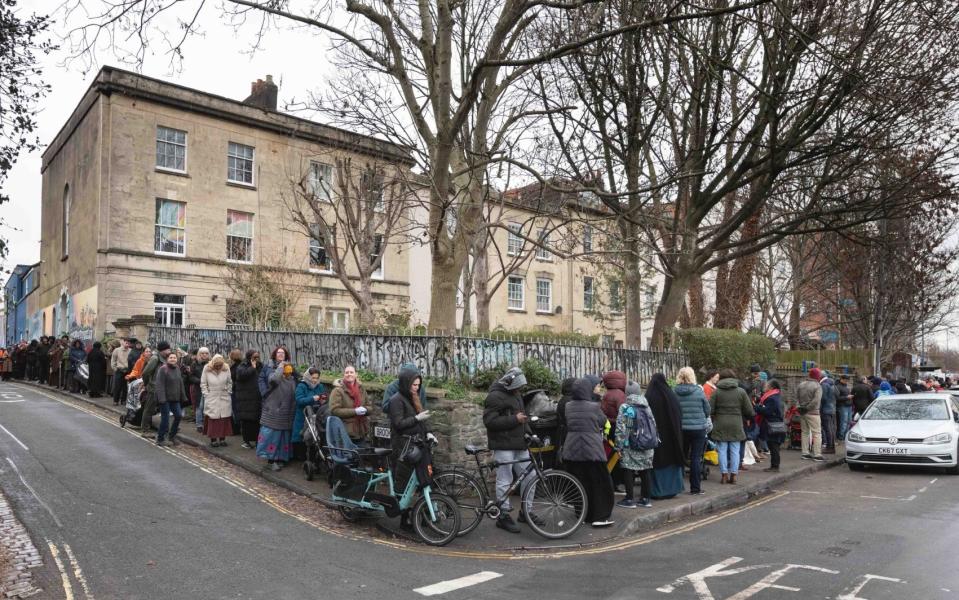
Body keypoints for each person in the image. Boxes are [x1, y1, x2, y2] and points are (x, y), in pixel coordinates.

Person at [483, 367, 535, 534]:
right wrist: (515, 419)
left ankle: (526, 512)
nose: (520, 390)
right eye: (517, 387)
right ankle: (503, 515)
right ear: (509, 383)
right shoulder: (494, 397)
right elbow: (490, 422)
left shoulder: (516, 394)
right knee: (505, 479)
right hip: (503, 444)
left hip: (520, 444)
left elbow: (523, 416)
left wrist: (529, 434)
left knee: (531, 476)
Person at [563, 377, 615, 527]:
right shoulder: (594, 407)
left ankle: (583, 514)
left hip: (572, 451)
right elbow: (602, 421)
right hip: (592, 450)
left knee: (580, 484)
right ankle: (600, 516)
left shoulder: (568, 406)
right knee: (600, 484)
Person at [387, 368, 435, 530]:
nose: (416, 388)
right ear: (406, 383)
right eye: (414, 384)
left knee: (422, 479)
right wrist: (415, 418)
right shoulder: (396, 400)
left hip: (416, 445)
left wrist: (428, 433)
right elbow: (399, 424)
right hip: (403, 447)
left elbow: (421, 422)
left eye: (418, 385)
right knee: (405, 482)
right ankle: (404, 519)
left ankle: (423, 515)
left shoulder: (413, 397)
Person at [710, 369, 755, 484]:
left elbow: (710, 410)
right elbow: (749, 411)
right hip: (736, 423)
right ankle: (734, 475)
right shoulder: (741, 391)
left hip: (720, 423)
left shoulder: (716, 392)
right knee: (735, 450)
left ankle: (724, 475)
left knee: (722, 450)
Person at [615, 381, 655, 509]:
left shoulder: (625, 407)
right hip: (647, 443)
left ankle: (629, 499)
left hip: (630, 445)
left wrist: (619, 446)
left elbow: (621, 429)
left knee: (628, 469)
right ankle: (645, 499)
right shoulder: (647, 406)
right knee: (646, 470)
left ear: (627, 393)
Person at [644, 373, 685, 497]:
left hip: (655, 436)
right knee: (671, 460)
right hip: (672, 437)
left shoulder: (649, 396)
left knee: (657, 461)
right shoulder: (671, 395)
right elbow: (679, 415)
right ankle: (673, 489)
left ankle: (657, 491)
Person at [674, 367, 710, 495]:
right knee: (695, 458)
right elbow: (708, 410)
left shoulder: (674, 392)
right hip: (698, 429)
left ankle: (676, 486)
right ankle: (695, 489)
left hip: (681, 429)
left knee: (680, 456)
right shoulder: (699, 392)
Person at [257, 362, 297, 471]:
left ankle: (279, 458)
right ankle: (270, 461)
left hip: (286, 414)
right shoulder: (274, 376)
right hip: (274, 413)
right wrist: (280, 367)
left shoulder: (292, 380)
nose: (288, 371)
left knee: (282, 438)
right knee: (272, 437)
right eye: (286, 369)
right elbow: (273, 380)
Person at [329, 365, 371, 444]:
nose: (349, 374)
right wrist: (355, 411)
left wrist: (366, 410)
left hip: (362, 430)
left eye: (351, 372)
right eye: (347, 372)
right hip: (345, 431)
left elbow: (369, 407)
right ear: (344, 375)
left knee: (361, 455)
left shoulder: (361, 389)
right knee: (349, 455)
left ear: (356, 374)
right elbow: (334, 410)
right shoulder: (337, 391)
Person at [153, 350, 186, 447]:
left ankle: (171, 436)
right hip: (165, 399)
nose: (173, 359)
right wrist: (162, 399)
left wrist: (183, 396)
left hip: (174, 398)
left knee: (179, 416)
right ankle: (160, 438)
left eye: (174, 358)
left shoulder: (177, 369)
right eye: (171, 358)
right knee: (165, 419)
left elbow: (180, 383)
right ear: (167, 359)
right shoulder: (163, 369)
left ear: (177, 359)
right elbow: (159, 385)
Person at [293, 368, 327, 460]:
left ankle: (313, 456)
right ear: (308, 377)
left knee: (315, 435)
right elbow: (299, 400)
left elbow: (323, 396)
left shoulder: (320, 386)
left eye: (317, 378)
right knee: (303, 435)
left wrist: (323, 400)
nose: (315, 380)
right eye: (313, 378)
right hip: (303, 415)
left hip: (316, 414)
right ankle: (301, 456)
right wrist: (312, 398)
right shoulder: (301, 386)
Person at [201, 354, 234, 447]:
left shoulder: (226, 368)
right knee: (213, 418)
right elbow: (203, 383)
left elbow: (229, 381)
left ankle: (222, 439)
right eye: (217, 366)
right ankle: (213, 439)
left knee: (224, 418)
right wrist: (206, 394)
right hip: (212, 395)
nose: (219, 367)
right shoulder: (206, 368)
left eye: (220, 366)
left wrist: (228, 391)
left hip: (224, 396)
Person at [139, 342, 171, 437]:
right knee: (149, 409)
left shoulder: (165, 358)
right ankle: (145, 430)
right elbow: (145, 373)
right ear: (163, 350)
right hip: (153, 388)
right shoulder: (155, 358)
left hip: (163, 389)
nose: (169, 351)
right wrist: (147, 384)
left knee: (164, 410)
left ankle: (165, 429)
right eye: (168, 349)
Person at [754, 379, 786, 471]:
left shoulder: (772, 397)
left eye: (767, 385)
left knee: (773, 445)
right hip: (774, 423)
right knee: (773, 445)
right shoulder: (775, 396)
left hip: (772, 424)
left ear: (771, 387)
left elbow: (768, 411)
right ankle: (774, 465)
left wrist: (757, 408)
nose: (765, 386)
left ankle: (775, 466)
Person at [235, 351, 263, 449]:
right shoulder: (243, 365)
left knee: (257, 420)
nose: (256, 359)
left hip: (257, 397)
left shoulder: (261, 366)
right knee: (247, 421)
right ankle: (247, 441)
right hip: (246, 398)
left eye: (257, 357)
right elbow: (241, 376)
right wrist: (252, 367)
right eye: (254, 357)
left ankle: (257, 441)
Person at [796, 370, 824, 462]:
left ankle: (805, 453)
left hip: (802, 412)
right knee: (817, 433)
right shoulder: (817, 386)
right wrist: (807, 408)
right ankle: (817, 454)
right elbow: (816, 401)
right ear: (817, 376)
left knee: (805, 432)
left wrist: (800, 408)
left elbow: (797, 398)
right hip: (813, 413)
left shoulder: (801, 384)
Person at [811, 368, 837, 454]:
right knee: (831, 428)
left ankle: (829, 447)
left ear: (820, 376)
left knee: (827, 428)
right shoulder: (832, 383)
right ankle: (831, 446)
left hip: (826, 409)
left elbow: (823, 398)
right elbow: (837, 394)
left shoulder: (824, 385)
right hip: (832, 408)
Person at [191, 347, 211, 432]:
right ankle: (199, 424)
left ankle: (207, 424)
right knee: (199, 406)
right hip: (198, 388)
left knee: (208, 407)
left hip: (209, 388)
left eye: (206, 353)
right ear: (199, 354)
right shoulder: (194, 364)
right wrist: (200, 381)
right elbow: (191, 377)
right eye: (202, 353)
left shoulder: (211, 363)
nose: (204, 355)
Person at [110, 338, 132, 406]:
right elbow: (113, 360)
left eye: (129, 343)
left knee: (125, 387)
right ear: (123, 342)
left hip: (127, 371)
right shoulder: (117, 350)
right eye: (126, 343)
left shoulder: (131, 351)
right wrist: (114, 368)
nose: (127, 344)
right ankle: (115, 401)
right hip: (119, 370)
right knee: (117, 386)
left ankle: (124, 400)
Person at [835, 374, 853, 442]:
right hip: (842, 406)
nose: (847, 381)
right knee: (843, 422)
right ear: (841, 379)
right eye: (846, 380)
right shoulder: (838, 387)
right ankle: (841, 436)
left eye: (847, 380)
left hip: (848, 406)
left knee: (848, 422)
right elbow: (837, 398)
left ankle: (846, 436)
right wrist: (846, 397)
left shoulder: (845, 386)